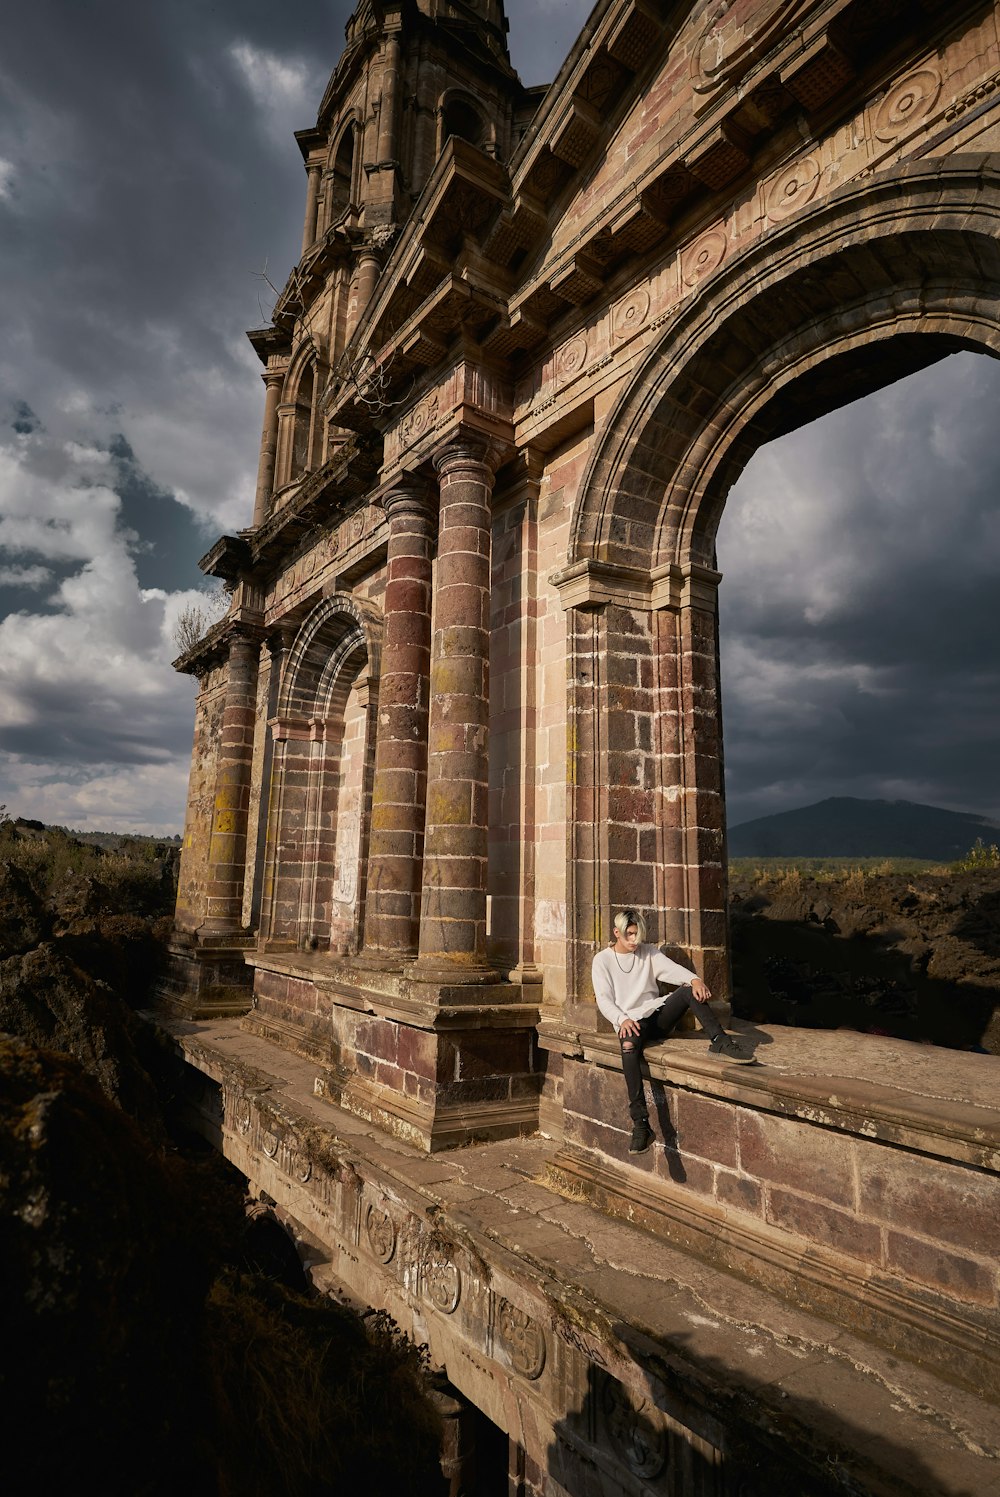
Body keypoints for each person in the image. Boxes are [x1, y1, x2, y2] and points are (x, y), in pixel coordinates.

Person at [591, 908, 753, 1154]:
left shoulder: (649, 953)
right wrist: (621, 1019)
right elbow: (604, 1000)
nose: (635, 940)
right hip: (631, 1022)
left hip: (656, 1016)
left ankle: (720, 1040)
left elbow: (674, 971)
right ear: (617, 932)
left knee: (688, 990)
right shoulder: (602, 960)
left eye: (638, 935)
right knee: (627, 1045)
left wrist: (695, 980)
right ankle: (641, 1124)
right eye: (630, 935)